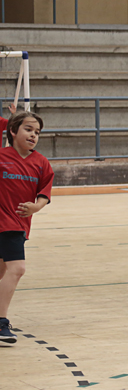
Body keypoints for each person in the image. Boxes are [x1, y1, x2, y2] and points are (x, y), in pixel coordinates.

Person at [0, 110, 55, 345]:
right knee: (17, 268)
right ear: (13, 132)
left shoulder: (41, 163)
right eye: (28, 129)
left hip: (19, 224)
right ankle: (1, 324)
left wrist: (36, 207)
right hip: (5, 223)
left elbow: (44, 194)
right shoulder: (1, 156)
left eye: (37, 132)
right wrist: (11, 118)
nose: (33, 135)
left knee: (3, 271)